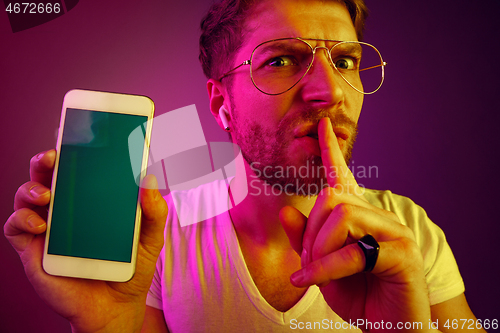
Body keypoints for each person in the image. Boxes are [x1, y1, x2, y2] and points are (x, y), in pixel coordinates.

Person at [4, 0, 485, 332]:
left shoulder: (410, 236)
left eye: (344, 60)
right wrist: (110, 329)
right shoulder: (154, 238)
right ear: (221, 103)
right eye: (281, 60)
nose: (330, 91)